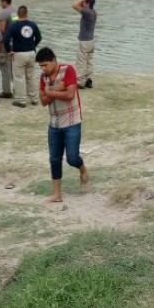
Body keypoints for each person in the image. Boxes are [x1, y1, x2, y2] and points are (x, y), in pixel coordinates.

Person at [37, 47, 90, 203]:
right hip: (54, 124)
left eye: (45, 65)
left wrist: (49, 91)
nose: (43, 69)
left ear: (54, 60)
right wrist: (57, 88)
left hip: (72, 121)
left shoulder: (68, 70)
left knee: (72, 158)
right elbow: (43, 102)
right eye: (40, 66)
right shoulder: (43, 78)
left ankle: (82, 169)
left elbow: (69, 95)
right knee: (54, 159)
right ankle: (57, 195)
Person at [4, 5, 42, 108]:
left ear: (18, 14)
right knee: (31, 76)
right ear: (27, 13)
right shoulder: (33, 25)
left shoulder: (14, 26)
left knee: (19, 77)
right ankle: (34, 98)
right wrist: (32, 46)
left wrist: (9, 51)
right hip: (31, 53)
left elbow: (6, 40)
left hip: (19, 53)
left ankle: (21, 100)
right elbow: (39, 37)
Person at [71, 0, 97, 89]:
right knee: (89, 61)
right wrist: (84, 0)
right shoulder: (93, 12)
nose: (82, 3)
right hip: (91, 40)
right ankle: (89, 80)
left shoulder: (87, 12)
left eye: (84, 2)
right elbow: (79, 6)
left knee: (81, 62)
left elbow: (74, 5)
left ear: (88, 3)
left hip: (84, 41)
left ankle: (80, 82)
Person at [0, 0, 16, 99]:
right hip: (16, 43)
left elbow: (2, 30)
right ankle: (17, 89)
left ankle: (6, 92)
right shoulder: (16, 11)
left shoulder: (4, 13)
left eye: (0, 0)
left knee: (5, 67)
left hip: (6, 44)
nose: (0, 3)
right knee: (15, 68)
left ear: (4, 1)